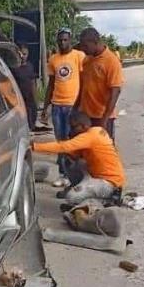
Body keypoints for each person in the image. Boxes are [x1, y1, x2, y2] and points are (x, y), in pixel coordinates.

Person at [31, 111, 125, 204]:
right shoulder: (95, 131)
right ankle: (82, 189)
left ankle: (107, 200)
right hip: (97, 175)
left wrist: (35, 146)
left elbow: (64, 146)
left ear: (84, 126)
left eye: (74, 127)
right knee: (69, 159)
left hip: (109, 183)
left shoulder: (90, 136)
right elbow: (71, 152)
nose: (71, 130)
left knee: (72, 198)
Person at [41, 28, 86, 188]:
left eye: (65, 40)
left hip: (72, 106)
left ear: (71, 40)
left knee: (71, 141)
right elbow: (51, 85)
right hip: (57, 106)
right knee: (60, 141)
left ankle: (74, 175)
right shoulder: (53, 59)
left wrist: (81, 105)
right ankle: (62, 173)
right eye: (60, 40)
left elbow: (84, 81)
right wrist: (45, 107)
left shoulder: (79, 57)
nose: (63, 43)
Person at [74, 28, 124, 140]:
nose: (82, 49)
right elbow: (83, 87)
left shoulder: (111, 62)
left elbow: (115, 92)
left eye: (85, 46)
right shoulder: (86, 60)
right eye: (81, 45)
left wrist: (104, 121)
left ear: (95, 43)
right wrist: (76, 108)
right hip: (86, 116)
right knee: (87, 150)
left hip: (102, 117)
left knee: (104, 151)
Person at [11, 43, 38, 129]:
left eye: (25, 54)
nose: (22, 56)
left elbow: (33, 81)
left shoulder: (30, 66)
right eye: (20, 54)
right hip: (19, 99)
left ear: (28, 54)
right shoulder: (14, 68)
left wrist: (35, 97)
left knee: (31, 120)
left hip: (30, 99)